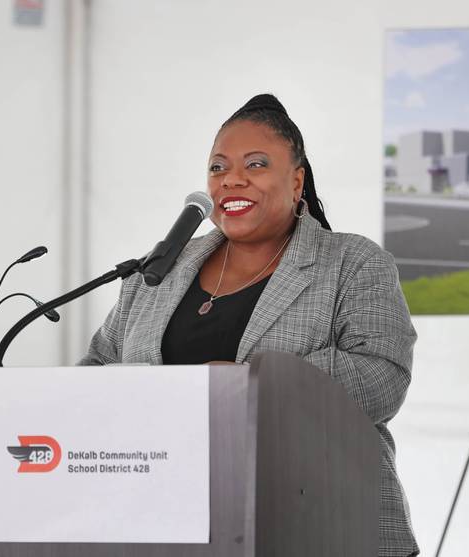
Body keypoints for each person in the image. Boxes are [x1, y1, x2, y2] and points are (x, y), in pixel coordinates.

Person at [79, 93, 419, 556]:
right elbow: (97, 366)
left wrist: (252, 386)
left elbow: (382, 377)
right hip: (173, 525)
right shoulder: (158, 270)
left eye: (255, 164)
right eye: (218, 168)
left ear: (296, 182)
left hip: (320, 527)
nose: (231, 180)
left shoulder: (352, 263)